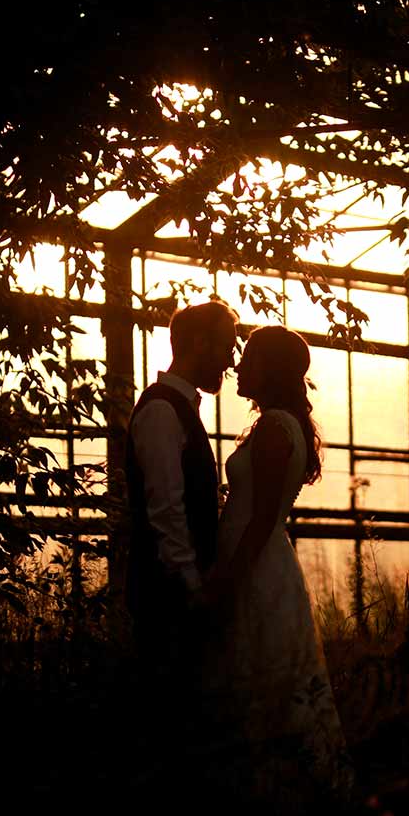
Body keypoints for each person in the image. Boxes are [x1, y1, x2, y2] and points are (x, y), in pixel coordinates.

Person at [200, 325, 355, 816]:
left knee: (255, 675)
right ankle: (293, 797)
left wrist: (226, 580)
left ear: (269, 369)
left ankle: (269, 803)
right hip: (266, 565)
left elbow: (263, 517)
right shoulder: (283, 424)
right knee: (274, 680)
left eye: (247, 360)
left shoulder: (272, 429)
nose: (237, 368)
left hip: (256, 570)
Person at [122, 298, 238, 773]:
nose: (232, 361)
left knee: (187, 720)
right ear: (198, 342)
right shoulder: (162, 412)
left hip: (178, 594)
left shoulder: (179, 408)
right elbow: (166, 512)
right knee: (172, 725)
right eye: (226, 347)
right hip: (167, 597)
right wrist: (194, 588)